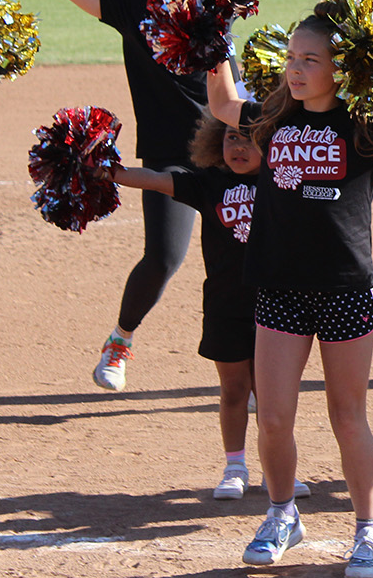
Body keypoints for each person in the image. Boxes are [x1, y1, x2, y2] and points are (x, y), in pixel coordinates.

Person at [204, 2, 373, 576]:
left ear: (341, 68)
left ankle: (368, 530)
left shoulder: (362, 128)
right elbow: (220, 104)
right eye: (292, 57)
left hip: (344, 288)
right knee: (274, 418)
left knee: (348, 415)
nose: (295, 68)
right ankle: (282, 512)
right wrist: (213, 35)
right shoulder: (271, 120)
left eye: (310, 59)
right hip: (281, 289)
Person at [27, 0, 287, 392]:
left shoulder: (217, 4)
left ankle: (257, 370)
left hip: (234, 146)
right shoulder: (132, 12)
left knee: (250, 253)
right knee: (165, 257)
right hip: (174, 152)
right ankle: (120, 341)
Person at [105, 110, 310, 502]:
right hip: (226, 304)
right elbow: (156, 179)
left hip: (279, 308)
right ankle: (235, 467)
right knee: (234, 390)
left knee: (274, 396)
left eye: (250, 138)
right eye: (231, 137)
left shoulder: (286, 182)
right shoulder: (209, 183)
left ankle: (277, 469)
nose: (238, 146)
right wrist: (107, 170)